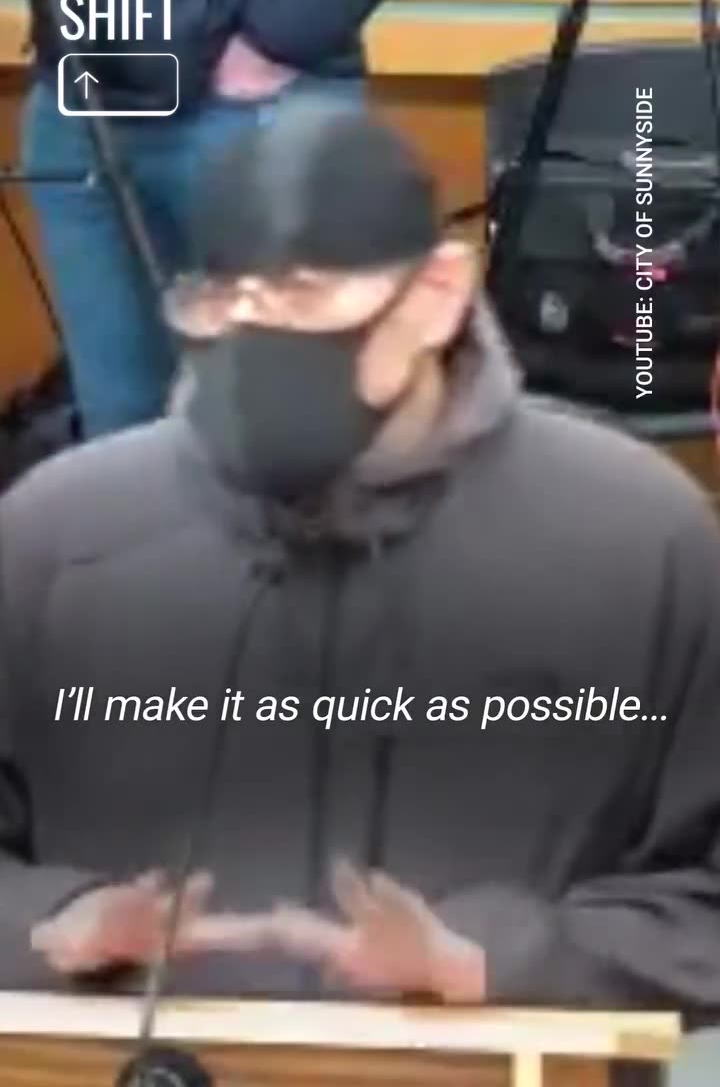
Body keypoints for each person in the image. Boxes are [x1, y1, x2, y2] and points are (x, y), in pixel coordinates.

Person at [2, 101, 720, 1026]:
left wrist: (496, 958)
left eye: (303, 294)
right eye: (224, 300)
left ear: (436, 294)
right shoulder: (58, 536)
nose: (257, 336)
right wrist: (56, 925)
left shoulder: (637, 538)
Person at [4, 0, 455, 438]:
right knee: (118, 431)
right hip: (81, 93)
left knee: (279, 431)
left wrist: (274, 40)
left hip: (248, 110)